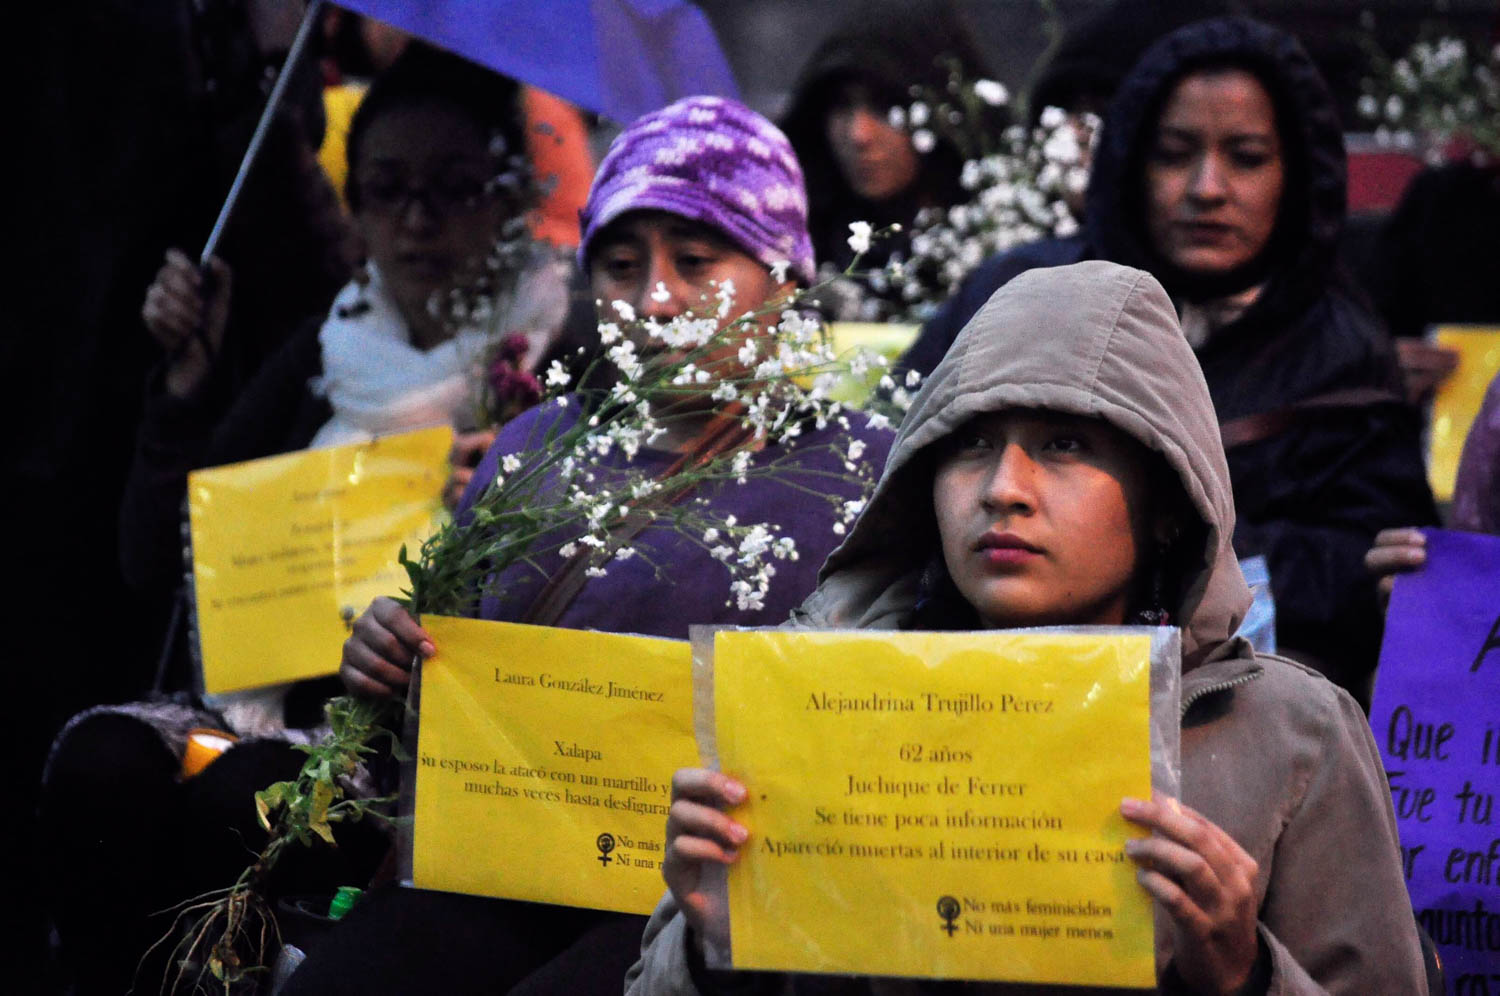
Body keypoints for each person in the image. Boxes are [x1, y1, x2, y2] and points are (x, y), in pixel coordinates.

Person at [632, 261, 1426, 995]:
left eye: (1066, 444)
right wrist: (711, 954)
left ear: (1164, 504)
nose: (1003, 488)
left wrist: (1244, 975)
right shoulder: (816, 706)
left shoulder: (1293, 733)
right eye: (972, 443)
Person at [281, 95, 894, 996]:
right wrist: (391, 660)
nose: (655, 298)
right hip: (500, 870)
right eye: (619, 263)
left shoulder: (862, 473)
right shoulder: (535, 449)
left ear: (786, 277)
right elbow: (451, 673)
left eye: (696, 260)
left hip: (711, 910)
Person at [39, 45, 582, 996]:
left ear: (508, 200)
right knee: (102, 763)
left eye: (452, 189)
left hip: (405, 741)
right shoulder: (334, 337)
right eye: (387, 190)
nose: (417, 221)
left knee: (245, 798)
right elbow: (145, 557)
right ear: (356, 206)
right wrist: (184, 389)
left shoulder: (556, 345)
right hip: (264, 695)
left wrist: (502, 493)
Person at [896, 17, 1437, 697]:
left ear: (1296, 173)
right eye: (1174, 152)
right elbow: (897, 467)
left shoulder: (1345, 347)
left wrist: (1188, 549)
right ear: (1128, 160)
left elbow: (1365, 562)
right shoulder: (1023, 296)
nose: (1207, 187)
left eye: (1245, 156)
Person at [778, 1, 999, 315]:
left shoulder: (1000, 235)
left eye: (886, 107)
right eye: (842, 106)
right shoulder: (796, 252)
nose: (860, 135)